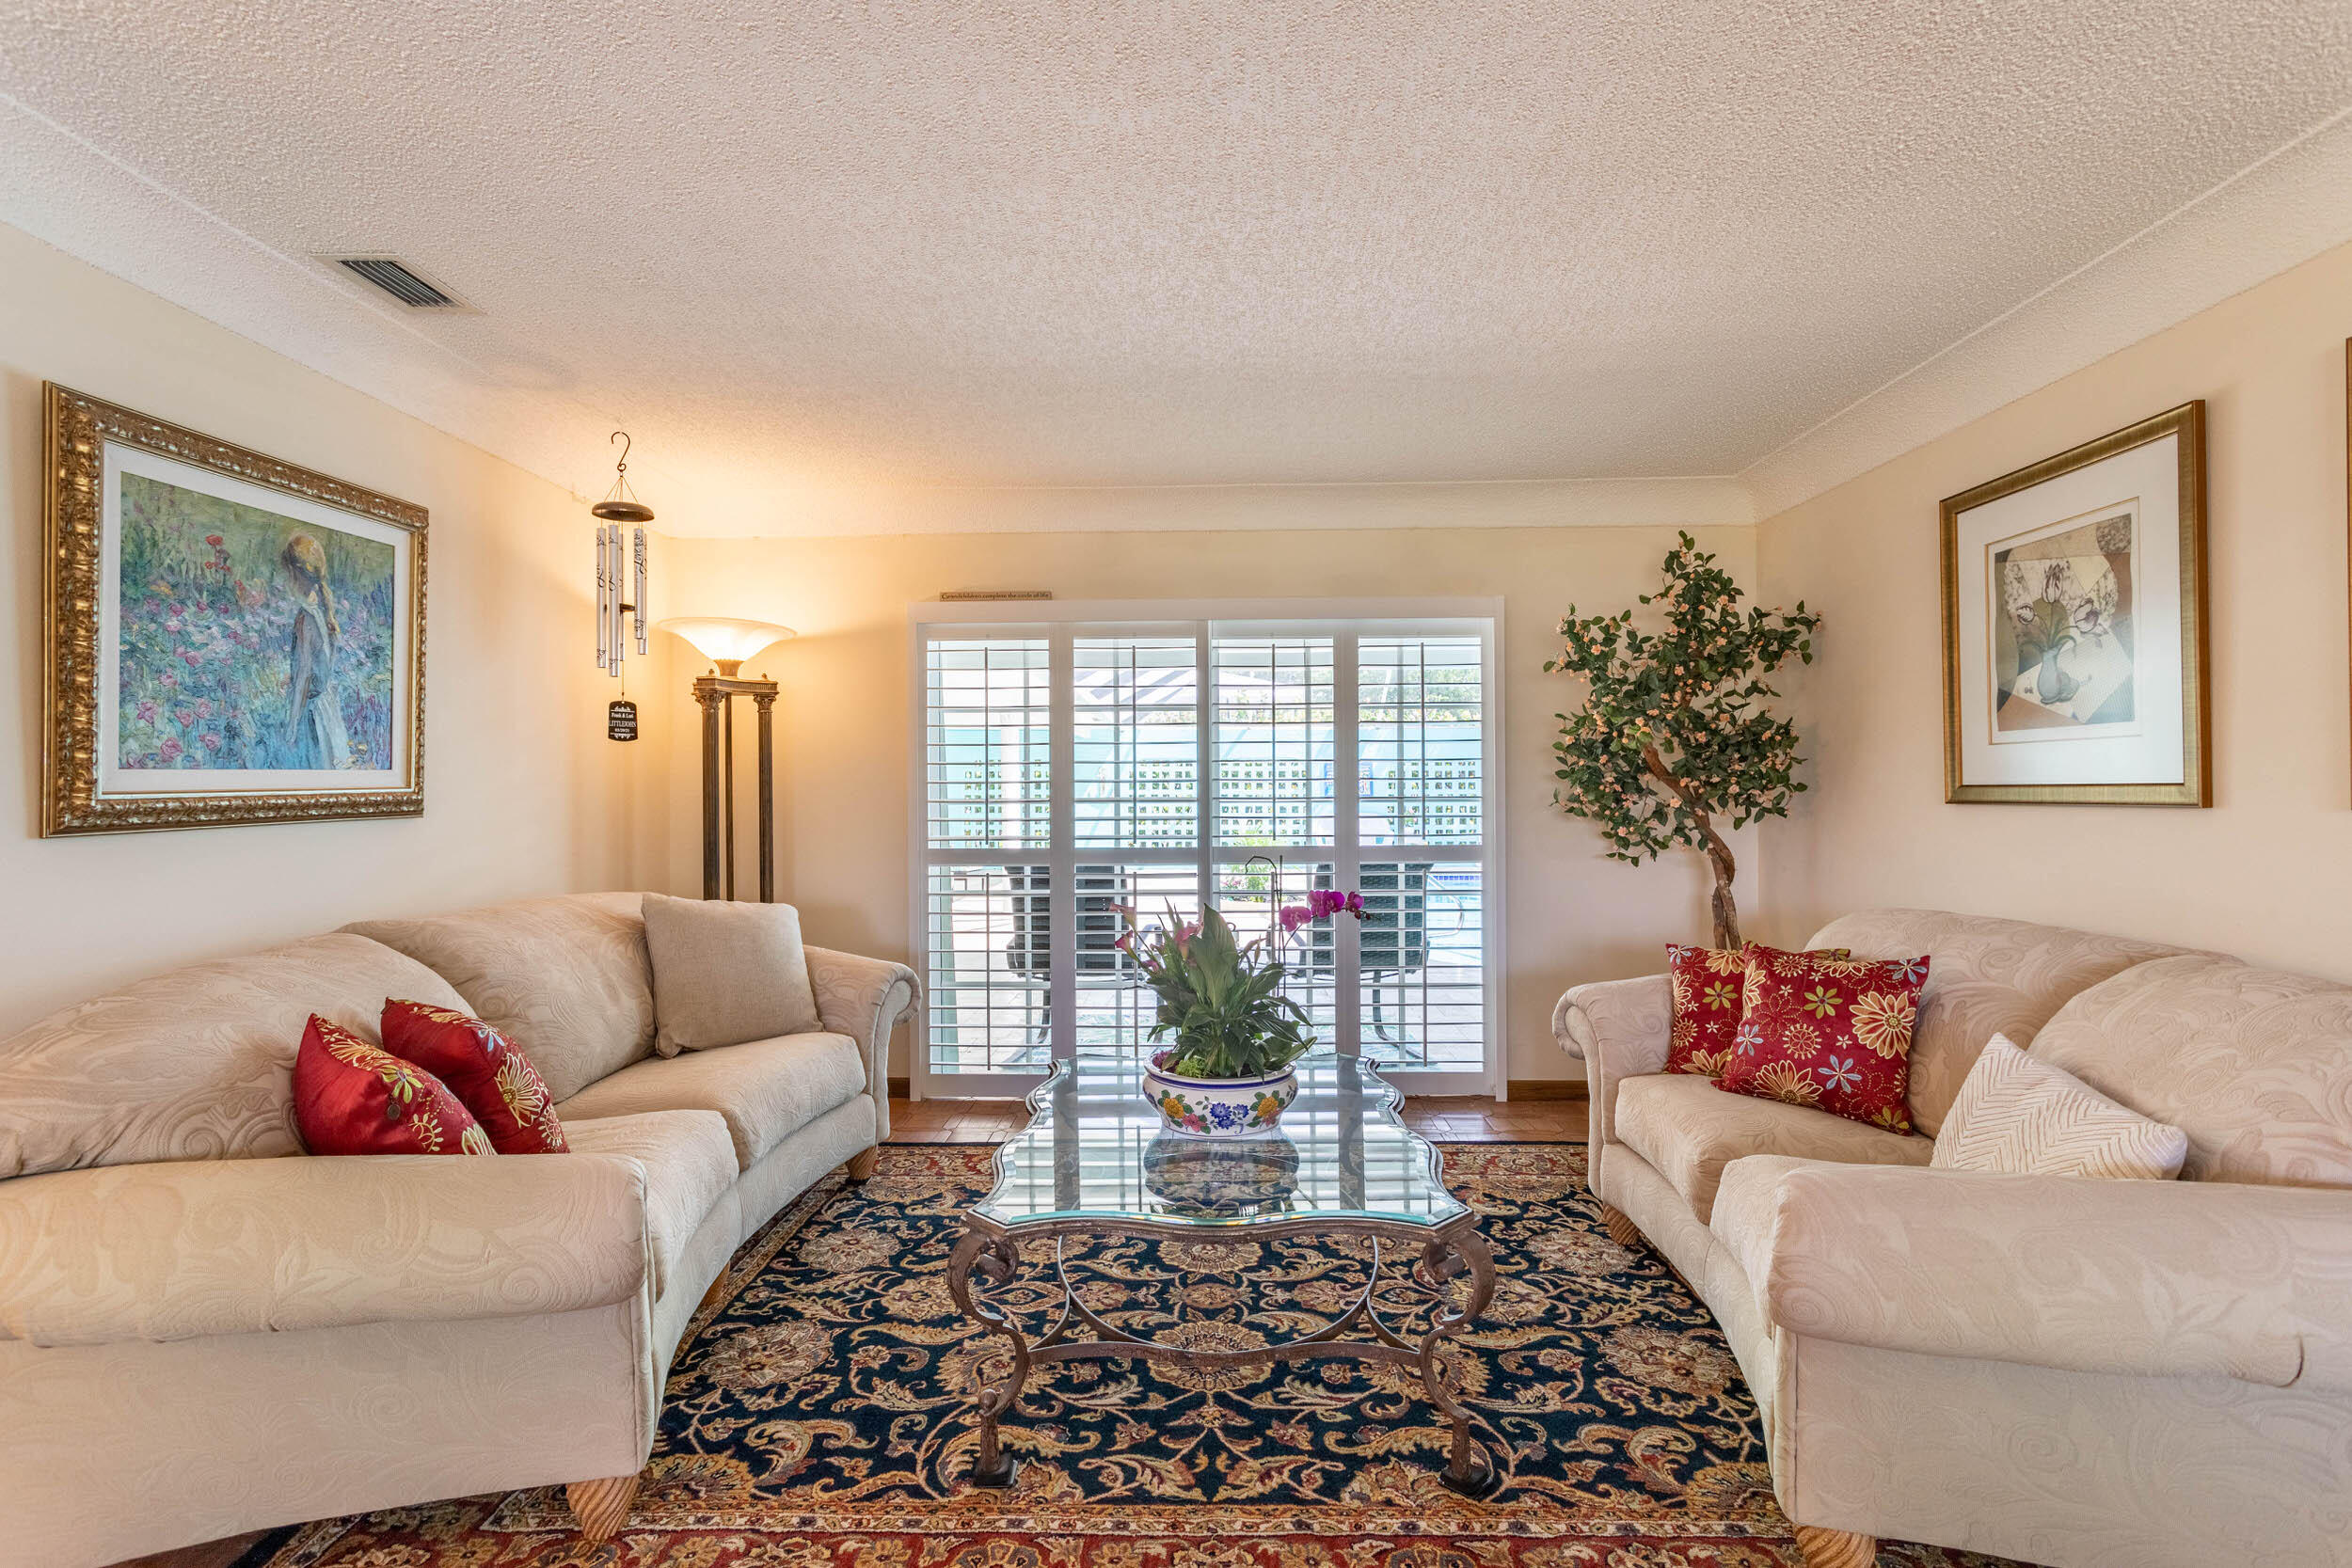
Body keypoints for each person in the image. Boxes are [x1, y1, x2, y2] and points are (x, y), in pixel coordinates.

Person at [281, 533, 354, 769]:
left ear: (296, 573)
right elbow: (320, 666)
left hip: (311, 713)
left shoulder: (306, 618)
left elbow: (304, 674)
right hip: (328, 708)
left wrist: (292, 725)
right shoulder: (323, 610)